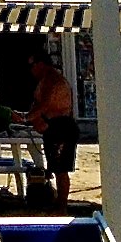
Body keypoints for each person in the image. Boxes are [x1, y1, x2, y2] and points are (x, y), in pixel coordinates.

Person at [16, 50, 77, 210]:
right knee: (55, 167)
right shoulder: (44, 80)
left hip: (61, 128)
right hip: (53, 128)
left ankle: (62, 205)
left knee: (61, 169)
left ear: (40, 64)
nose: (31, 70)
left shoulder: (52, 79)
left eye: (32, 65)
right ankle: (57, 201)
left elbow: (44, 106)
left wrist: (25, 119)